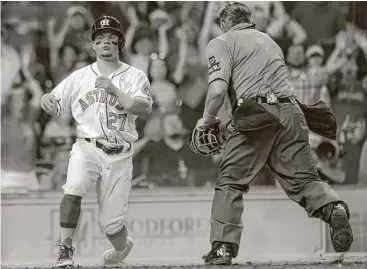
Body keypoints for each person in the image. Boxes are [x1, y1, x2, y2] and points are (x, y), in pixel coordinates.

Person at [195, 2, 353, 265]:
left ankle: (222, 247)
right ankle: (333, 206)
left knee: (231, 181)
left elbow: (217, 90)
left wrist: (206, 120)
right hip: (292, 112)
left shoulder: (221, 41)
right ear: (251, 22)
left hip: (256, 113)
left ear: (224, 24)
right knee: (304, 180)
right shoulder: (270, 42)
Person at [40, 16, 153, 267]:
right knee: (74, 186)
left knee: (112, 226)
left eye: (111, 39)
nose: (105, 43)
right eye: (100, 39)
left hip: (121, 154)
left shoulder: (134, 75)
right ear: (93, 45)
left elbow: (144, 108)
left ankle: (121, 249)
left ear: (119, 44)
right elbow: (53, 100)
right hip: (87, 145)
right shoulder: (80, 76)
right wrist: (46, 99)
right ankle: (65, 250)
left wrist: (116, 91)